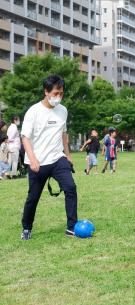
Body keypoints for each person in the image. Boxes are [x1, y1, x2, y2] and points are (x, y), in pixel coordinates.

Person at [19, 75, 77, 240]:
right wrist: (33, 159)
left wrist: (68, 155)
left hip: (57, 158)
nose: (59, 97)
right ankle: (26, 228)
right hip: (38, 161)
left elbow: (64, 134)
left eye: (61, 93)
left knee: (70, 188)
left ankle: (71, 228)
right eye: (56, 93)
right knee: (33, 198)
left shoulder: (63, 110)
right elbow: (25, 137)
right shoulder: (34, 111)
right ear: (46, 92)